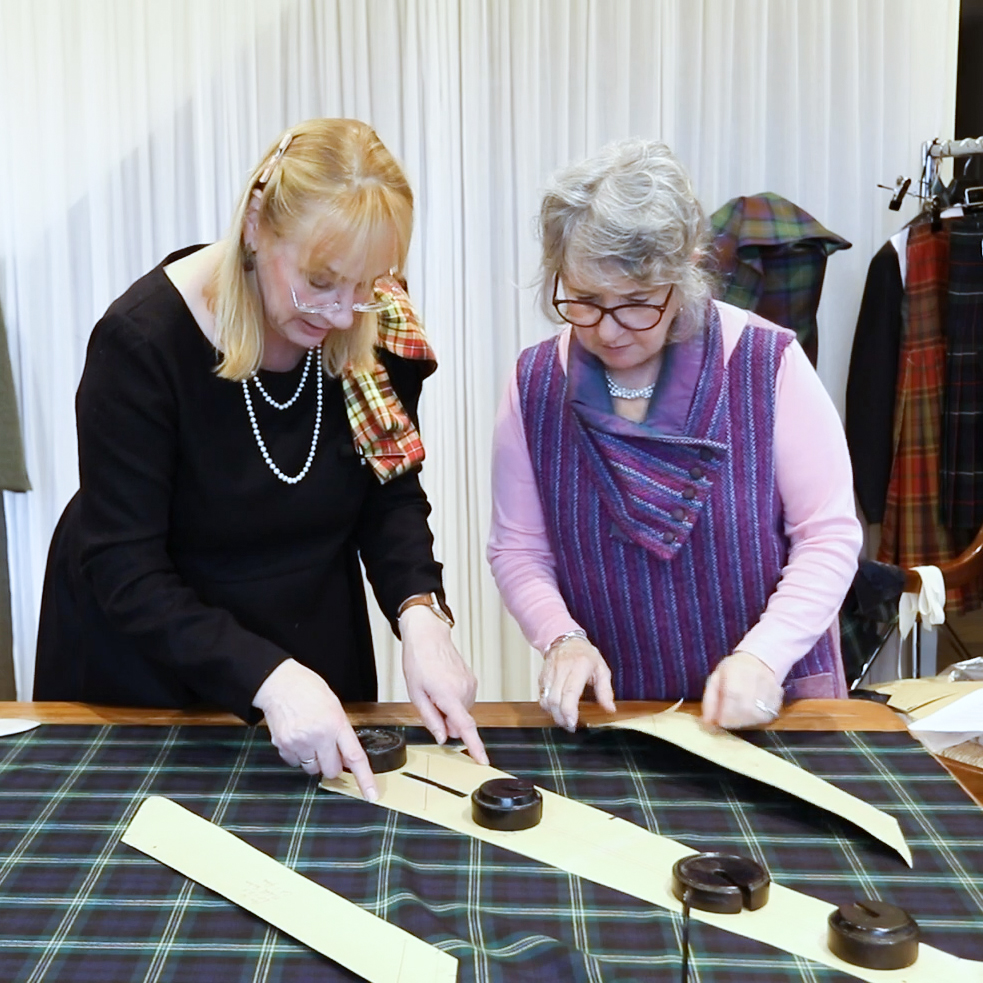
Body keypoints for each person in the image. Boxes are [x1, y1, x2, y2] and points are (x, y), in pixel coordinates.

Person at [35, 118, 487, 797]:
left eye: (366, 283)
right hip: (152, 668)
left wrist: (420, 614)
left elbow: (388, 493)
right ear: (255, 223)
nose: (341, 314)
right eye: (319, 281)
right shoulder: (141, 345)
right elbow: (123, 568)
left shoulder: (370, 314)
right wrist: (267, 677)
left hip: (312, 643)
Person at [487, 139, 862, 732]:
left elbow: (830, 535)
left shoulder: (768, 364)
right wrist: (561, 638)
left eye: (637, 303)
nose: (608, 330)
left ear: (686, 267)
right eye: (584, 300)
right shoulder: (534, 384)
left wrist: (764, 656)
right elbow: (518, 550)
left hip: (773, 699)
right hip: (620, 709)